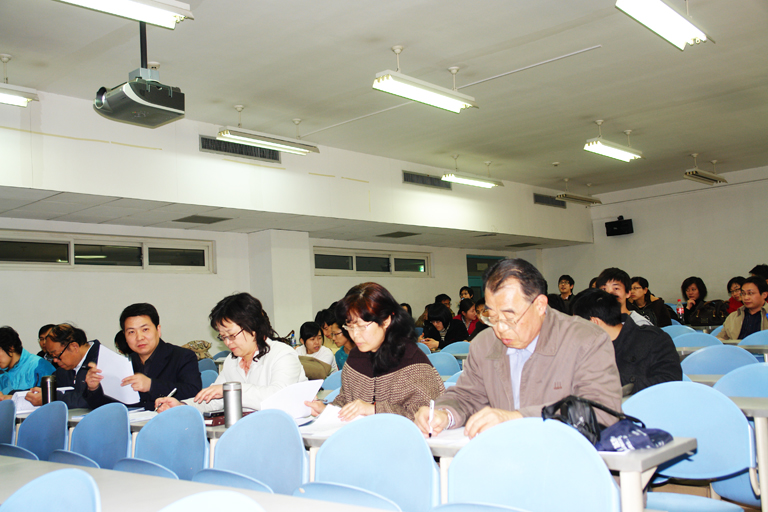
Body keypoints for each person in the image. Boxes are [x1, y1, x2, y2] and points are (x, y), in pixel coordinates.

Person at [414, 258, 621, 439]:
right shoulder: (484, 344)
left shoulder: (586, 339)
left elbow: (601, 412)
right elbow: (467, 396)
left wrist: (517, 419)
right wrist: (443, 414)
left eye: (510, 317)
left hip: (566, 458)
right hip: (503, 457)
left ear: (540, 305)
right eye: (492, 317)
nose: (500, 328)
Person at [305, 282, 444, 421]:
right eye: (350, 327)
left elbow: (428, 415)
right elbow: (345, 401)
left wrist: (373, 410)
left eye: (361, 326)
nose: (355, 335)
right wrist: (326, 410)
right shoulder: (355, 357)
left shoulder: (412, 359)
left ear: (386, 320)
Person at [157, 293, 307, 413]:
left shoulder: (282, 354)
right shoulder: (232, 360)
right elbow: (215, 399)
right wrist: (182, 406)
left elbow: (277, 398)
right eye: (223, 337)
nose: (227, 343)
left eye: (232, 335)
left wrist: (231, 389)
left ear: (253, 327)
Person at [83, 303, 202, 410]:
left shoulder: (183, 356)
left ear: (158, 330)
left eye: (145, 329)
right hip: (131, 424)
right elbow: (108, 405)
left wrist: (151, 385)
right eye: (131, 332)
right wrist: (94, 388)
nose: (139, 337)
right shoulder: (123, 363)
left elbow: (193, 392)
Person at [572, 289, 681, 394]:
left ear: (594, 323)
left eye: (577, 325)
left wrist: (616, 382)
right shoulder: (583, 350)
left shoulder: (654, 340)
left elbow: (670, 382)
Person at [26, 324, 99, 408]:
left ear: (74, 347)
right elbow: (45, 390)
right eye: (51, 356)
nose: (55, 360)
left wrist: (51, 398)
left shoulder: (102, 362)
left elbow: (91, 400)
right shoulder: (64, 369)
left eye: (57, 355)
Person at [0, 326, 55, 399]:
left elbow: (50, 398)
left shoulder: (39, 366)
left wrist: (13, 398)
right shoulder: (2, 372)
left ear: (10, 347)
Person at [717, 276, 768, 341]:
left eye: (750, 293)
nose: (746, 298)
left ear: (764, 295)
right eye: (743, 293)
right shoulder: (733, 317)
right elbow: (721, 337)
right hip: (737, 347)